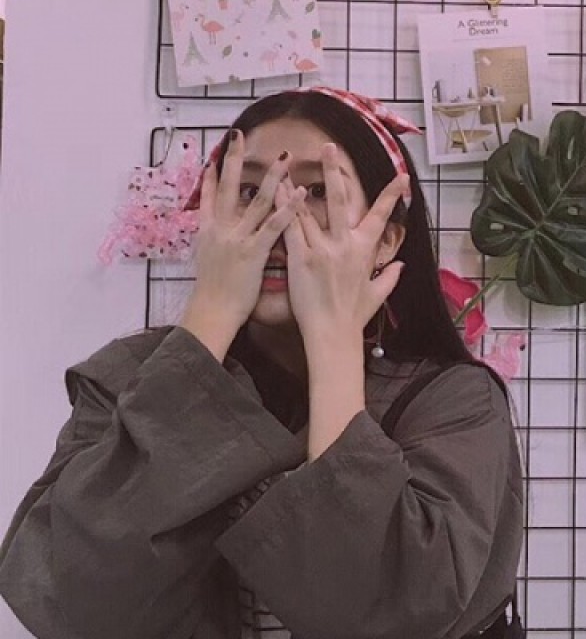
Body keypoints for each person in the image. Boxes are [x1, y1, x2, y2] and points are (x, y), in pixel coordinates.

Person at [0, 87, 523, 639]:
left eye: (317, 190)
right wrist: (211, 310)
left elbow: (391, 613)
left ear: (386, 240)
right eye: (250, 189)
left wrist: (334, 341)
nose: (278, 214)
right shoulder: (126, 377)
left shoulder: (453, 401)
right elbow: (74, 604)